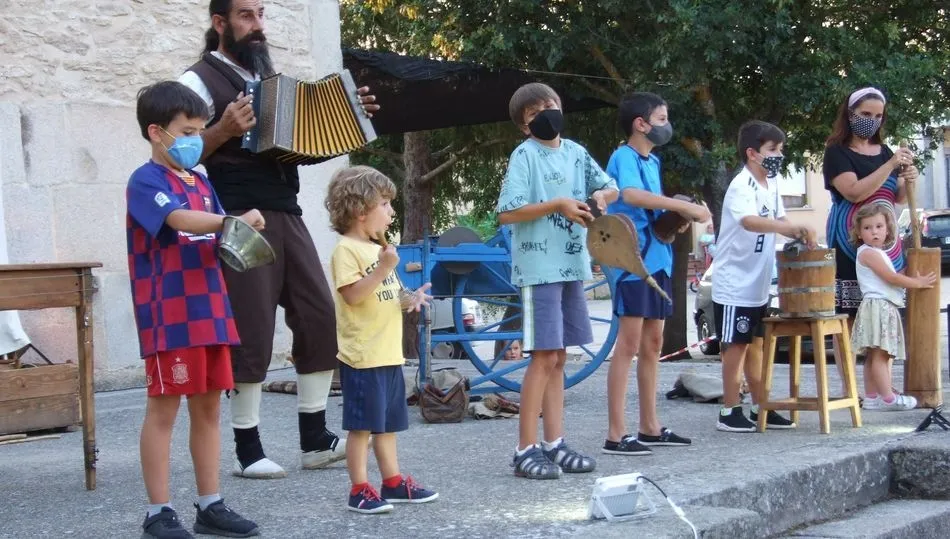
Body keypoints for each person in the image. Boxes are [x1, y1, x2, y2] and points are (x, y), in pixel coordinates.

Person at [177, 0, 379, 478]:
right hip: (237, 215)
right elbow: (179, 154)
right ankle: (248, 449)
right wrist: (222, 129)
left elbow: (297, 149)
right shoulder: (194, 82)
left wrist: (347, 116)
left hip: (287, 213)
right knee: (251, 328)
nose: (258, 25)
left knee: (319, 315)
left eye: (261, 14)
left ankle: (315, 440)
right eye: (246, 15)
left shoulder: (270, 82)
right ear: (220, 23)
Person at [128, 81, 260, 538]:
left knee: (209, 412)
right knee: (163, 411)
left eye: (200, 131)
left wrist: (243, 231)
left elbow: (220, 233)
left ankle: (210, 504)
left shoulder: (200, 180)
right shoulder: (145, 181)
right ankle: (158, 512)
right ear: (156, 132)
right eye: (186, 131)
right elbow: (180, 220)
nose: (194, 140)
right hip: (171, 317)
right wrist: (231, 220)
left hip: (211, 313)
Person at [497, 82, 619, 479]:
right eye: (534, 113)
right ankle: (524, 449)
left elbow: (609, 186)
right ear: (524, 126)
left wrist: (600, 200)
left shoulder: (576, 153)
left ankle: (554, 443)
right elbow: (507, 212)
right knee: (543, 356)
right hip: (539, 269)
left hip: (572, 265)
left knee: (561, 356)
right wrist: (558, 205)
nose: (546, 115)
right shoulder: (524, 155)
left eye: (550, 106)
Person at [601, 92, 710, 456]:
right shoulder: (623, 156)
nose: (667, 125)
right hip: (632, 261)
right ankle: (616, 434)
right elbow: (631, 196)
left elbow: (653, 208)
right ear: (641, 124)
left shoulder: (654, 161)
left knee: (653, 344)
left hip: (659, 259)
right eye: (661, 118)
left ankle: (650, 426)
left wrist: (677, 219)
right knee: (628, 344)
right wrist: (678, 205)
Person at [326, 166, 438, 514]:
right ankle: (359, 489)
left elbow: (387, 295)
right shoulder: (347, 250)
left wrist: (411, 299)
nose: (391, 212)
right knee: (362, 428)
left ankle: (393, 483)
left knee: (387, 426)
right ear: (361, 211)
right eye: (385, 204)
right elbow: (353, 296)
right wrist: (383, 268)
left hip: (388, 355)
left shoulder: (379, 249)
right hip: (363, 357)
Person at [711, 120, 814, 433]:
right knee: (735, 347)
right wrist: (788, 228)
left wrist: (800, 232)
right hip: (734, 283)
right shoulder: (741, 185)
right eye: (773, 149)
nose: (778, 156)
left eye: (781, 149)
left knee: (757, 346)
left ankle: (760, 407)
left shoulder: (773, 183)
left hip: (757, 282)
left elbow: (780, 218)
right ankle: (729, 410)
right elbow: (750, 221)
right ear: (752, 153)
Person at [823, 86, 918, 396]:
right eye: (865, 114)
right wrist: (889, 166)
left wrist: (908, 178)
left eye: (878, 116)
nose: (872, 121)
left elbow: (897, 196)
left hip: (886, 244)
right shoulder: (837, 152)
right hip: (850, 244)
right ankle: (850, 389)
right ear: (850, 114)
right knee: (850, 318)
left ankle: (880, 388)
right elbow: (854, 192)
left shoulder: (885, 151)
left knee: (884, 313)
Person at [850, 204, 934, 410]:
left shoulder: (876, 253)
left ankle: (872, 398)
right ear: (859, 233)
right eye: (867, 228)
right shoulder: (869, 253)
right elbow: (891, 278)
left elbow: (892, 277)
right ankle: (889, 398)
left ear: (887, 229)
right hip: (879, 307)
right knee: (881, 354)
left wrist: (910, 269)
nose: (874, 232)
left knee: (873, 355)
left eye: (879, 226)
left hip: (877, 306)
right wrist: (918, 283)